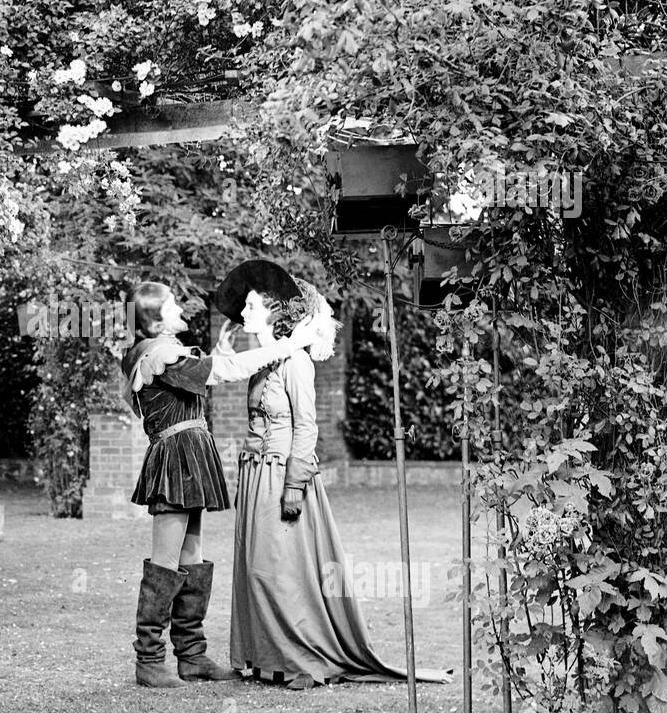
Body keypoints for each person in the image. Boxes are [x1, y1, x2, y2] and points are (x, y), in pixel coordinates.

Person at [215, 264, 451, 688]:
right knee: (256, 567)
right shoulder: (263, 363)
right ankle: (266, 655)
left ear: (275, 313)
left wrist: (293, 485)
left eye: (253, 305)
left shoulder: (296, 364)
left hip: (282, 474)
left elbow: (307, 427)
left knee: (278, 570)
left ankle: (303, 658)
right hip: (255, 475)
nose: (244, 312)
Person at [120, 281, 317, 688]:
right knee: (164, 562)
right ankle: (150, 661)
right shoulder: (160, 355)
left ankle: (192, 656)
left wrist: (221, 352)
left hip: (188, 454)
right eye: (171, 304)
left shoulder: (165, 353)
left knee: (191, 558)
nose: (180, 307)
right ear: (154, 320)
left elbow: (206, 373)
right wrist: (286, 345)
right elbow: (224, 372)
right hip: (175, 458)